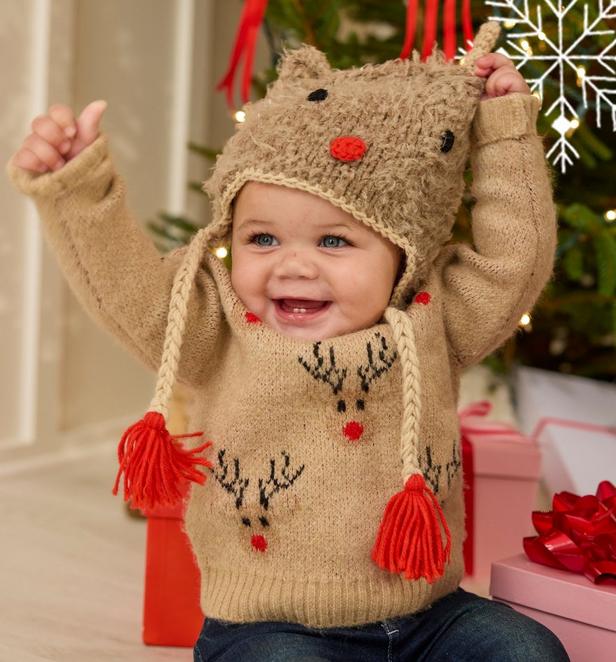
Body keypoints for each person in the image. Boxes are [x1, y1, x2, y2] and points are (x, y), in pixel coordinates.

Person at [7, 21, 569, 662]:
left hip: (426, 617)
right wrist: (77, 188)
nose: (292, 266)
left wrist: (504, 134)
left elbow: (514, 261)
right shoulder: (216, 328)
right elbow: (123, 284)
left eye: (334, 241)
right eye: (262, 239)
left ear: (403, 258)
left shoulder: (433, 318)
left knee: (527, 648)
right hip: (269, 629)